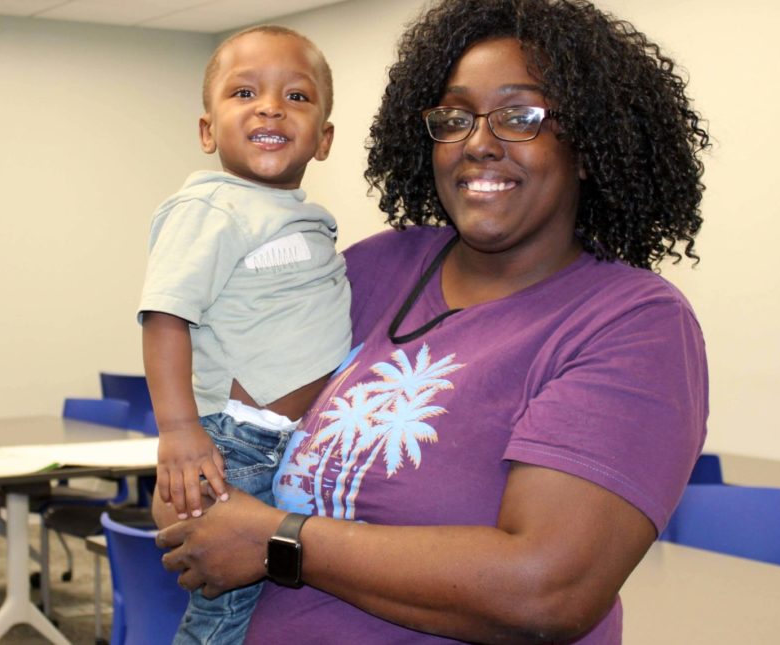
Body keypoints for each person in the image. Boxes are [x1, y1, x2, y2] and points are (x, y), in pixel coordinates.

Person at [156, 0, 710, 642]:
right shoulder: (372, 269)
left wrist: (280, 541)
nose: (479, 142)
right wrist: (194, 489)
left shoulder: (632, 324)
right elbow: (223, 456)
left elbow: (546, 589)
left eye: (519, 115)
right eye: (455, 117)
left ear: (587, 145)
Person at [137, 25, 351, 644]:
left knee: (275, 611)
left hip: (294, 443)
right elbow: (165, 316)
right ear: (208, 130)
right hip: (238, 447)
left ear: (324, 138)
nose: (270, 106)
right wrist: (180, 432)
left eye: (298, 97)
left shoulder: (300, 216)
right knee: (224, 616)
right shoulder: (210, 208)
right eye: (244, 93)